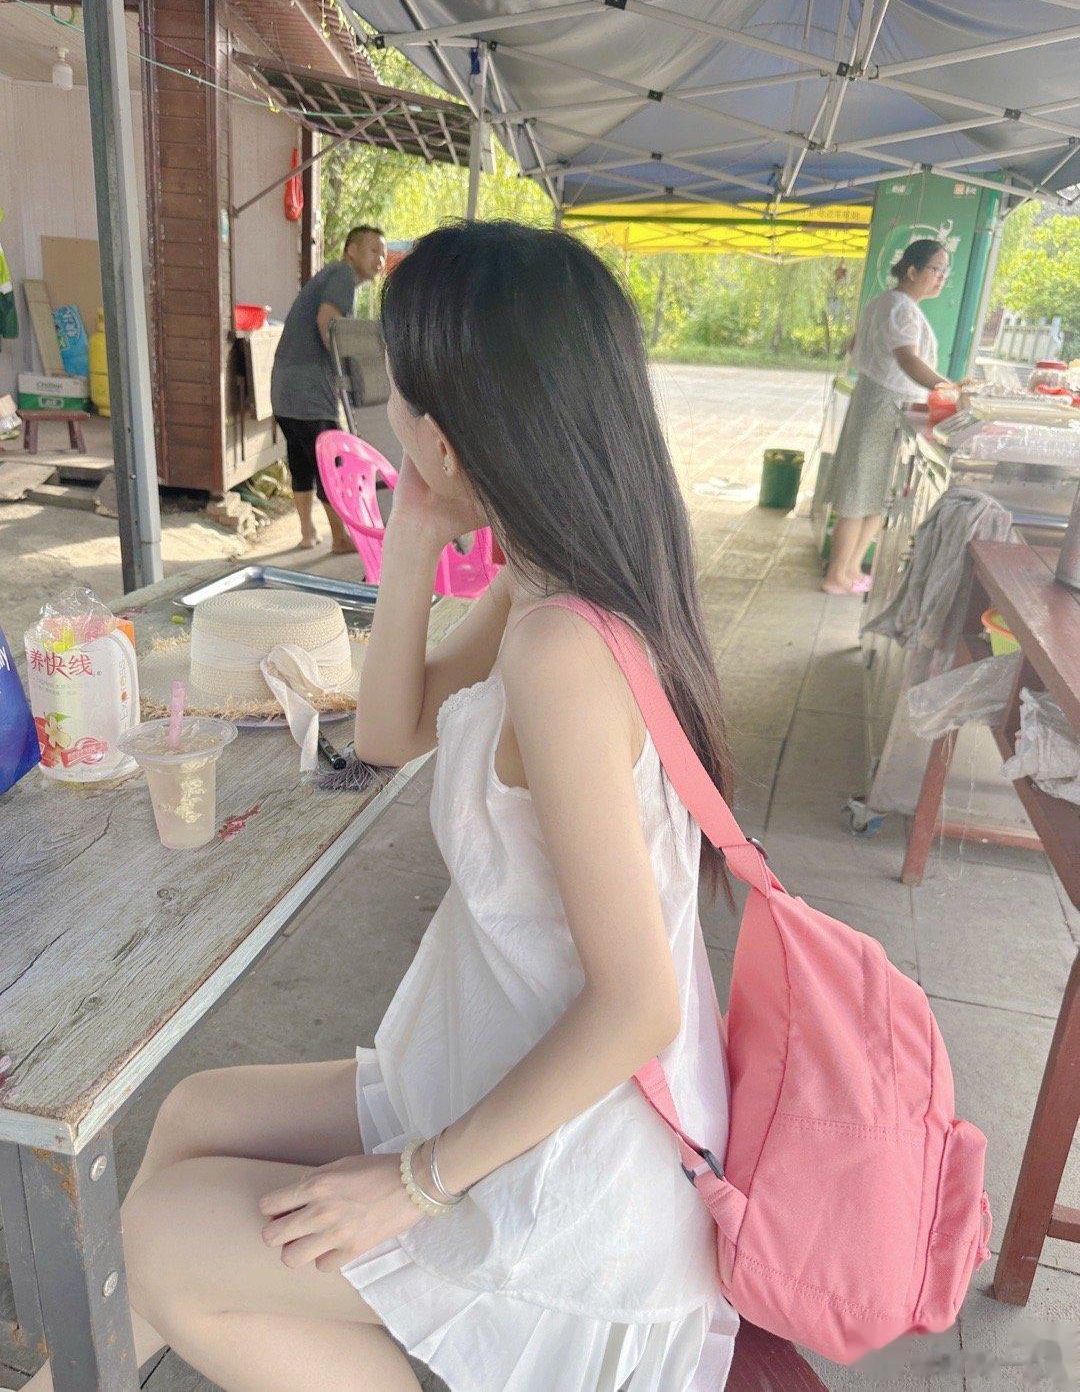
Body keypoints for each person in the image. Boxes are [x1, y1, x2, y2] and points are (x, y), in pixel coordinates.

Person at [17, 223, 740, 1392]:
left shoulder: (563, 652)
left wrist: (410, 1182)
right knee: (194, 1116)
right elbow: (394, 731)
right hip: (496, 1069)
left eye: (393, 391)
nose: (379, 411)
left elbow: (639, 1006)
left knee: (153, 1239)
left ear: (443, 435)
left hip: (571, 1191)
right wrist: (414, 527)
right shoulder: (549, 580)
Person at [822, 238, 954, 595]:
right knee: (859, 493)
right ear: (912, 270)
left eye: (945, 272)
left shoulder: (891, 303)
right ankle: (836, 574)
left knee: (878, 494)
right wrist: (949, 388)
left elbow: (854, 345)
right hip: (883, 402)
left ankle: (851, 569)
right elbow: (908, 359)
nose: (941, 278)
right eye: (936, 269)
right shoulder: (899, 306)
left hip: (885, 402)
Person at [272, 224, 387, 551]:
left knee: (301, 461)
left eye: (383, 253)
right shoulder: (342, 276)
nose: (380, 259)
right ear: (351, 251)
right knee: (332, 463)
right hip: (309, 392)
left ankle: (308, 532)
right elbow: (329, 324)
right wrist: (347, 372)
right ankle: (339, 537)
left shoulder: (330, 276)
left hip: (284, 390)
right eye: (374, 250)